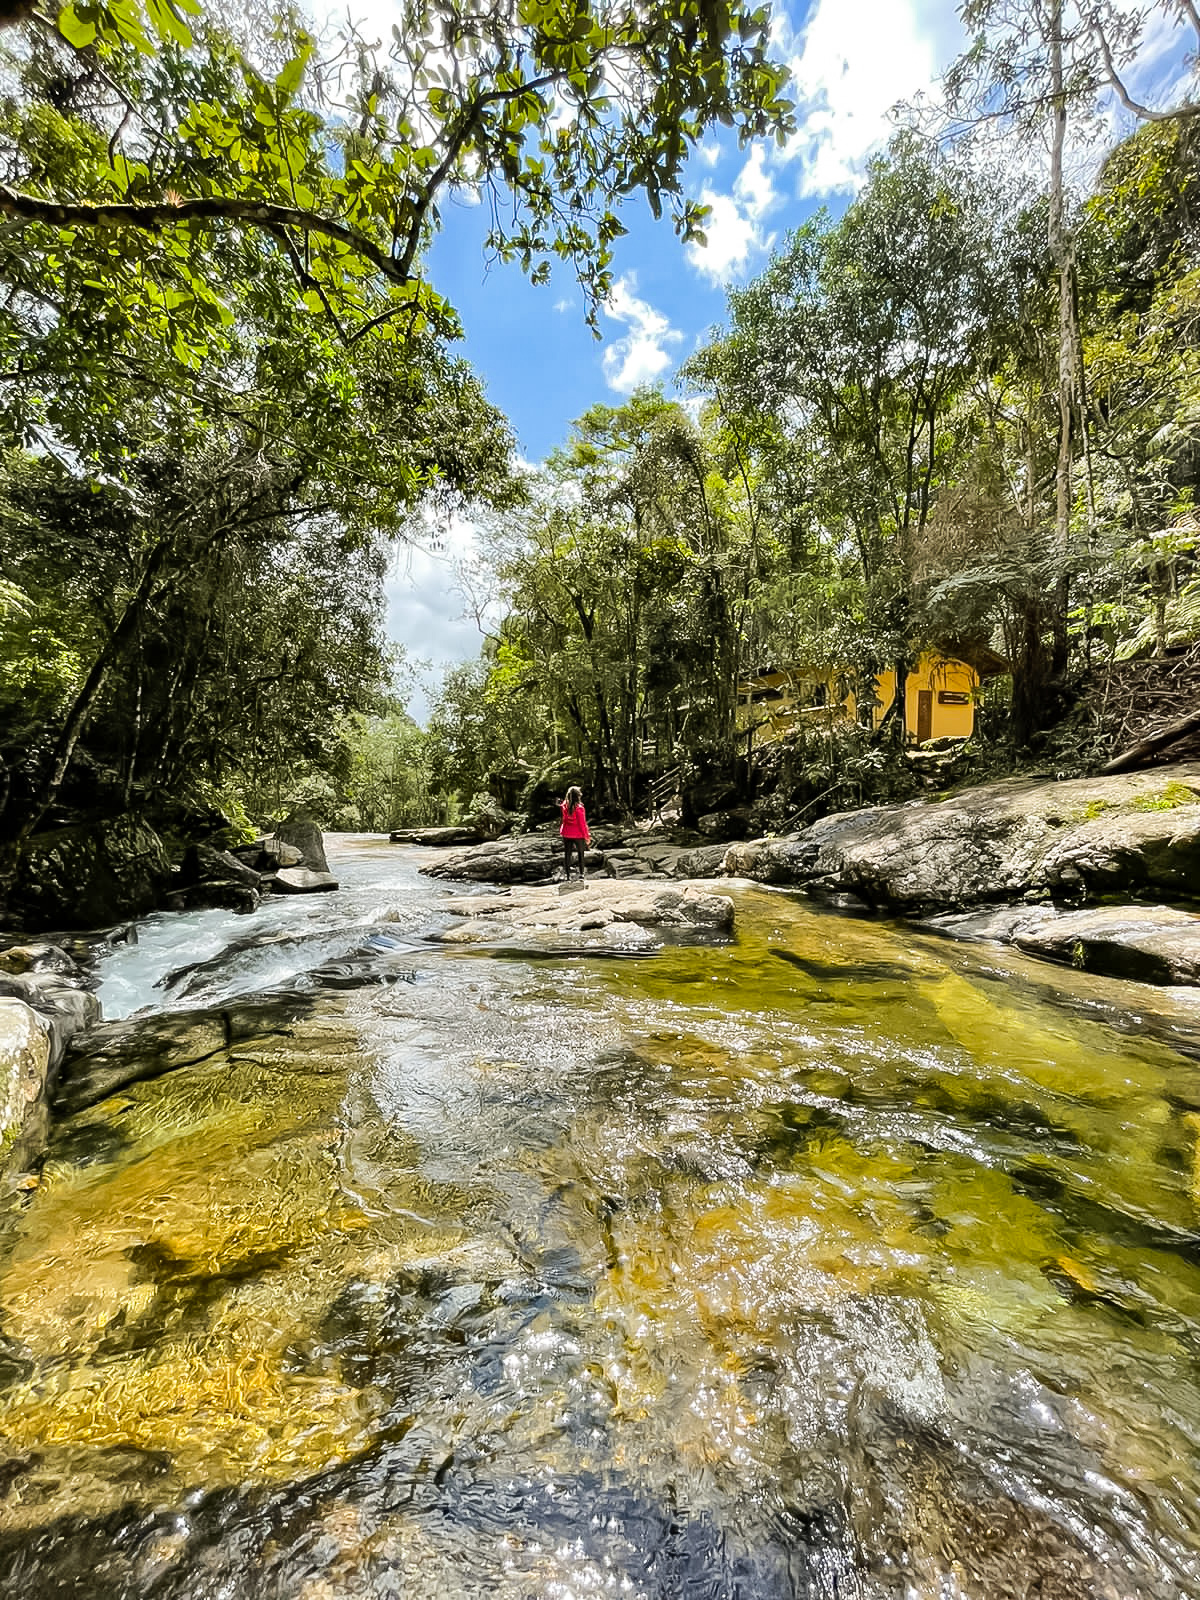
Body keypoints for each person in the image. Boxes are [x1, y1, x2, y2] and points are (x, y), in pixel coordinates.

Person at [559, 785, 591, 880]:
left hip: (566, 833)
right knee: (581, 853)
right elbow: (582, 824)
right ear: (578, 796)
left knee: (567, 854)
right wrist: (587, 836)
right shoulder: (580, 808)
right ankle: (581, 874)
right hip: (578, 834)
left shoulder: (564, 806)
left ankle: (567, 875)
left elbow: (563, 819)